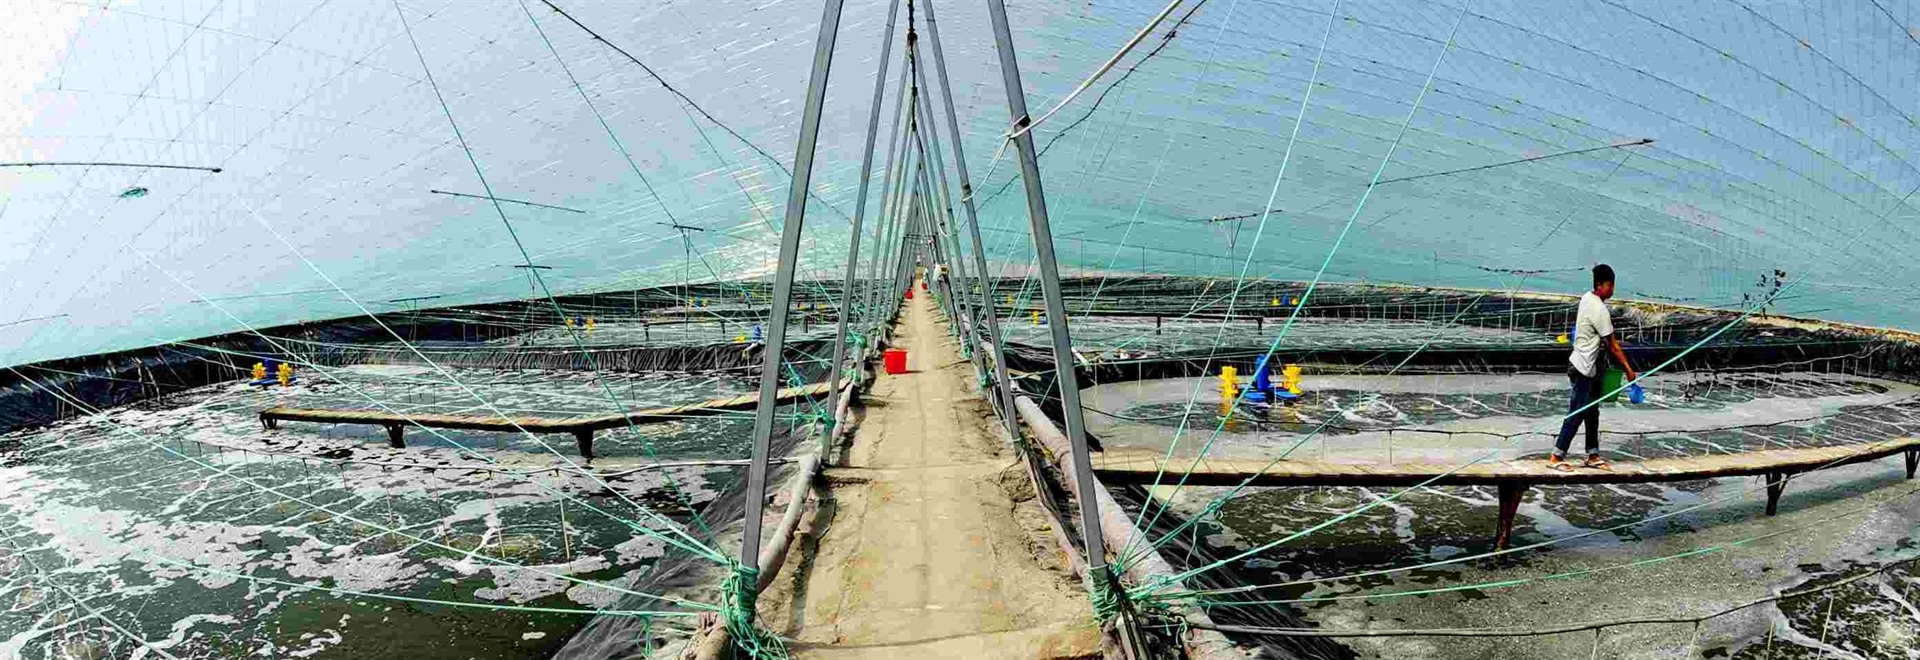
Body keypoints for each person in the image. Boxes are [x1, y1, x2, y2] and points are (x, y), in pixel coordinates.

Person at [1549, 264, 1638, 472]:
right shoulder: (1599, 309)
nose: (1612, 290)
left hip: (1590, 365)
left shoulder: (1586, 298)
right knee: (1578, 411)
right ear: (1600, 285)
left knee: (1592, 412)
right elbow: (1612, 345)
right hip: (1583, 366)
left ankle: (1593, 454)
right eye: (1610, 285)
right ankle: (1556, 456)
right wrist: (1628, 369)